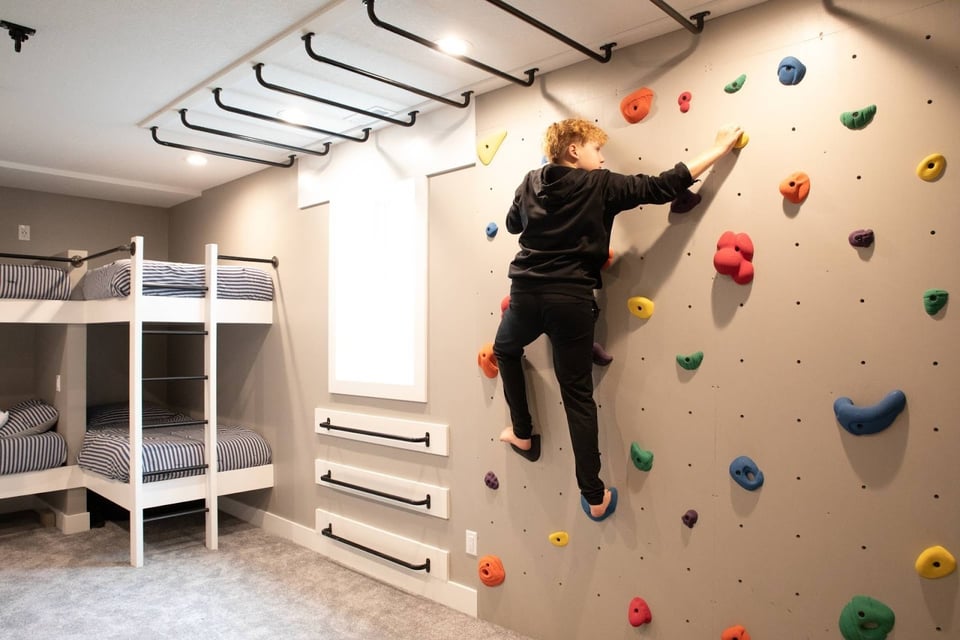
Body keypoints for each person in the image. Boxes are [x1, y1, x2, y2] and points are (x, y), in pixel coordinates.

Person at [494, 118, 743, 521]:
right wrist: (719, 148)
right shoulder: (601, 184)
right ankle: (594, 496)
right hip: (571, 299)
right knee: (576, 395)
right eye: (596, 148)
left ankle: (523, 433)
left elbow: (512, 224)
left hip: (525, 294)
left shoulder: (530, 181)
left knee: (505, 350)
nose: (603, 156)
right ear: (574, 149)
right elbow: (664, 185)